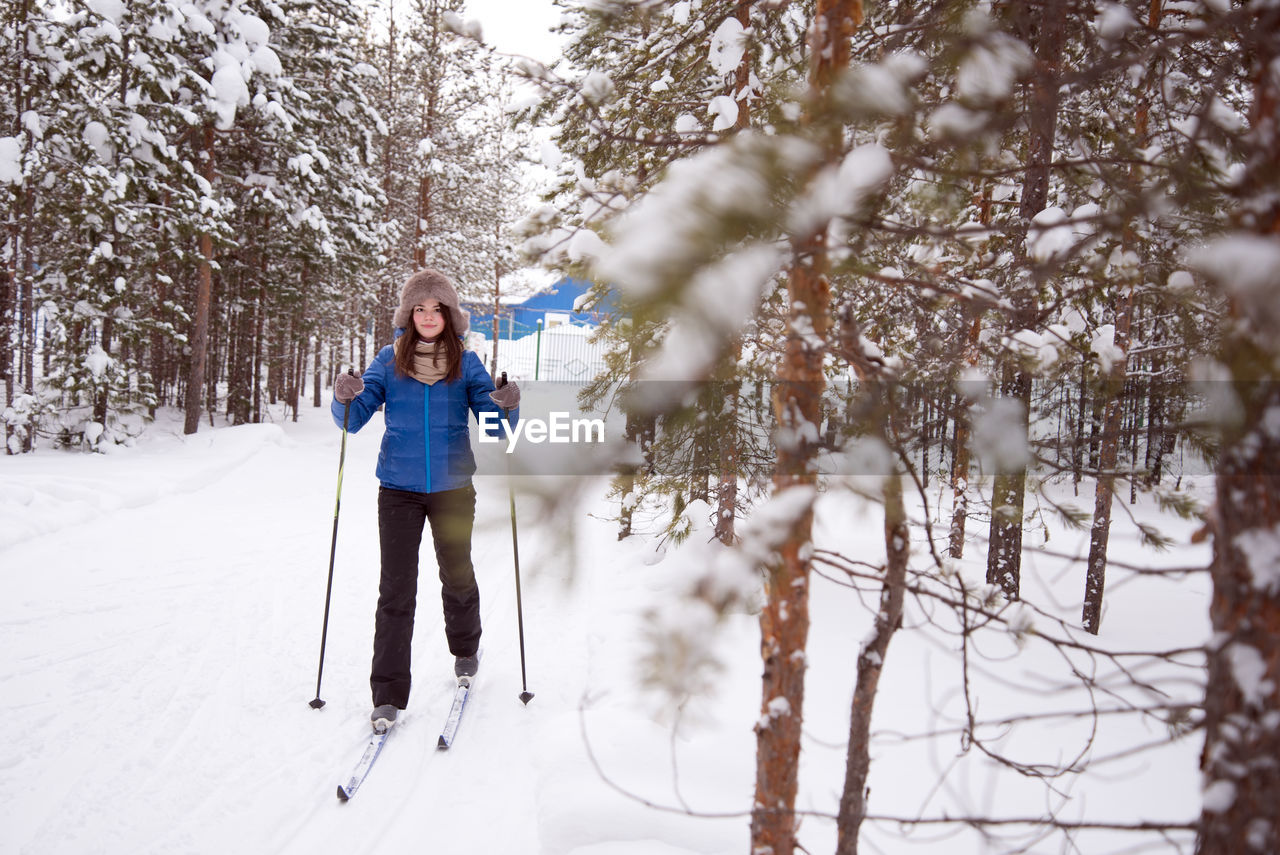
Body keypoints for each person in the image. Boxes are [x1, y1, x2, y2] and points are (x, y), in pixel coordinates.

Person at [331, 268, 520, 734]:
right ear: (408, 314)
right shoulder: (388, 360)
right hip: (398, 489)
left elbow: (497, 428)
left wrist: (508, 404)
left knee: (457, 574)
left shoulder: (468, 363)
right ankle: (387, 695)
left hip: (454, 488)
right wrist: (344, 397)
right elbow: (352, 420)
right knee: (396, 590)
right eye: (420, 308)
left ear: (450, 315)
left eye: (437, 309)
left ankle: (465, 649)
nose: (429, 316)